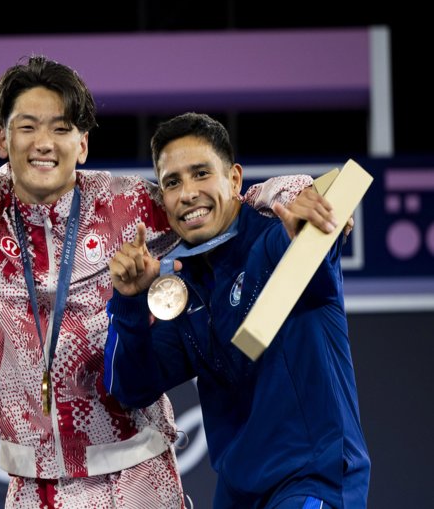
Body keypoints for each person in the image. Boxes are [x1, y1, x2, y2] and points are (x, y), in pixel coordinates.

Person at [0, 56, 333, 508]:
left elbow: (215, 204)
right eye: (27, 127)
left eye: (62, 129)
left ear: (82, 144)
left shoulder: (128, 203)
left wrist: (300, 192)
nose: (44, 143)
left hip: (138, 479)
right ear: (3, 138)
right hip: (32, 485)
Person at [105, 112, 370, 508]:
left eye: (200, 174)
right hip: (237, 495)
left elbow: (307, 244)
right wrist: (127, 302)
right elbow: (131, 389)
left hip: (312, 484)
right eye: (172, 182)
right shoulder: (183, 285)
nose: (188, 193)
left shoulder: (272, 238)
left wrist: (310, 229)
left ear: (234, 179)